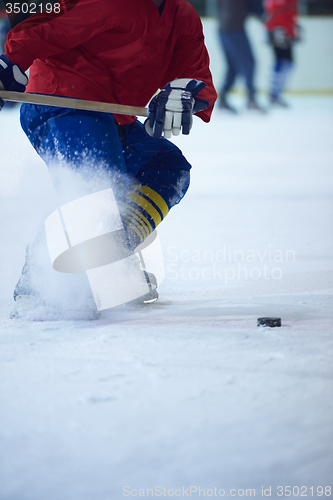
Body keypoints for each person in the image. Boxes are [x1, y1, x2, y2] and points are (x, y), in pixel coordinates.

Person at [0, 0, 217, 312]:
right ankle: (40, 276)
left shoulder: (182, 16)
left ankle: (107, 262)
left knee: (166, 168)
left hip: (114, 118)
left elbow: (197, 78)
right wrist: (9, 61)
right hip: (63, 101)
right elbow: (43, 32)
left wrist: (185, 93)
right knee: (99, 185)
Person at [217, 0, 265, 113]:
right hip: (233, 28)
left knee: (233, 67)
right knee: (249, 63)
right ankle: (251, 100)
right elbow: (253, 6)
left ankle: (223, 99)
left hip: (225, 27)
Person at [264, 0, 299, 107]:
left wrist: (294, 30)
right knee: (282, 62)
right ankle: (274, 94)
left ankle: (275, 94)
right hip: (279, 31)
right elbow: (270, 12)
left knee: (287, 63)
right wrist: (272, 30)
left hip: (284, 31)